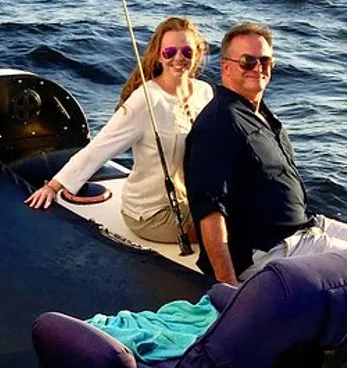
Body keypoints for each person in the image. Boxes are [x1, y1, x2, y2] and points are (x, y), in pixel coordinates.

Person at [185, 22, 347, 285]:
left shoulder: (259, 114)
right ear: (226, 66)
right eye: (248, 61)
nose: (258, 68)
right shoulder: (219, 124)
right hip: (268, 248)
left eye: (265, 61)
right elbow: (211, 213)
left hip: (301, 226)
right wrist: (229, 288)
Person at [25, 17, 214, 244]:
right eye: (170, 51)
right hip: (151, 212)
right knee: (226, 230)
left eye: (186, 51)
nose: (178, 58)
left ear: (198, 54)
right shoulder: (146, 100)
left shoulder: (204, 92)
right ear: (158, 54)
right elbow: (99, 148)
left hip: (189, 202)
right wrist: (54, 187)